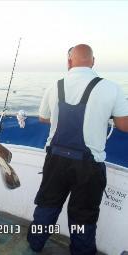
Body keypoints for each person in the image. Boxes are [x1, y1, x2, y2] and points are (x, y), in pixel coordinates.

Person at [27, 44, 128, 254]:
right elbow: (123, 125)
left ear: (69, 62)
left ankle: (34, 245)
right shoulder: (111, 87)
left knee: (47, 206)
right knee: (82, 215)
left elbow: (43, 118)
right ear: (93, 61)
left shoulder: (55, 86)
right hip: (88, 167)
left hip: (55, 161)